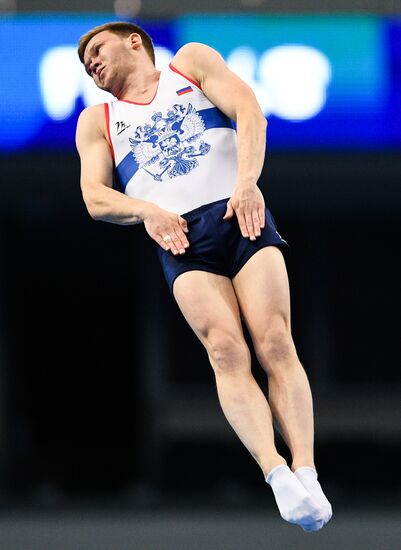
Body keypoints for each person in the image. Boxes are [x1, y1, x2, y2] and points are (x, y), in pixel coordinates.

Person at [76, 21, 332, 532]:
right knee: (225, 350)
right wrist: (148, 211)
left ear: (135, 41)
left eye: (98, 50)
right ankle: (276, 473)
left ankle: (306, 467)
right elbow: (95, 197)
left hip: (240, 213)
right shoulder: (98, 119)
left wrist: (248, 184)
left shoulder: (187, 64)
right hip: (180, 238)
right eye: (86, 65)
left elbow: (250, 113)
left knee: (276, 342)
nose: (92, 65)